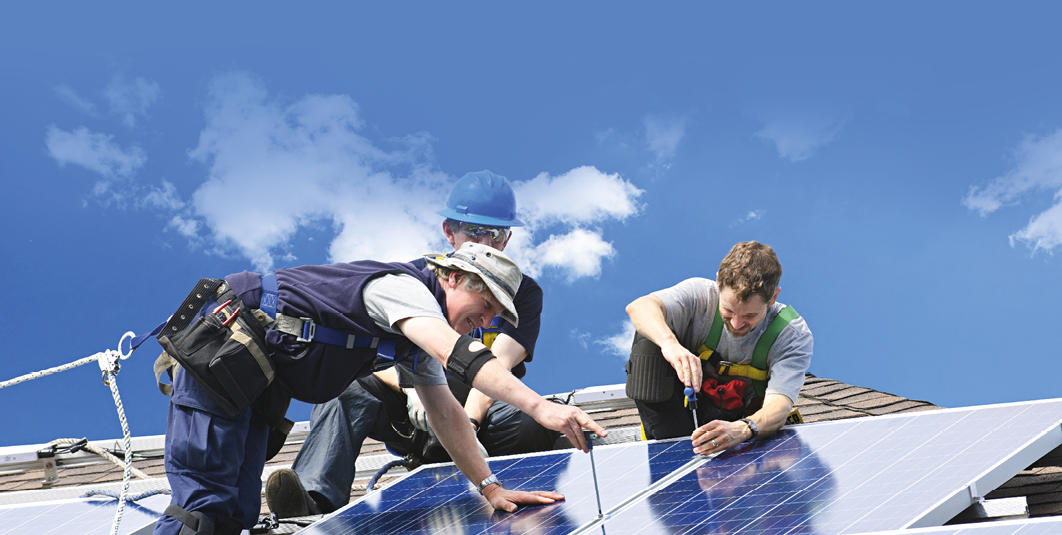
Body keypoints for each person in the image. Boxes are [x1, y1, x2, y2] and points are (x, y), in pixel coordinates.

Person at [153, 241, 605, 535]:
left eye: (494, 318)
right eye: (485, 305)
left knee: (236, 516)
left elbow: (446, 413)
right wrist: (541, 408)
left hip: (256, 384)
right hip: (224, 353)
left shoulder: (415, 340)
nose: (486, 323)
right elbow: (458, 355)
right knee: (204, 511)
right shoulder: (403, 290)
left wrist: (490, 488)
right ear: (451, 278)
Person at [265, 170, 560, 518]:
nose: (486, 242)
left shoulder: (520, 294)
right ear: (450, 233)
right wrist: (411, 391)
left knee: (535, 419)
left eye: (495, 233)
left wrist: (469, 423)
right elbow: (385, 352)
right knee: (347, 388)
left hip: (480, 414)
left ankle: (526, 485)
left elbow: (498, 364)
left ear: (507, 239)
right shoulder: (416, 281)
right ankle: (312, 503)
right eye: (474, 231)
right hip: (415, 412)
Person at [624, 241, 812, 455]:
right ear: (717, 285)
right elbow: (639, 307)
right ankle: (671, 449)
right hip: (676, 420)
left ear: (774, 298)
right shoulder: (699, 296)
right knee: (648, 339)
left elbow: (779, 405)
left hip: (738, 428)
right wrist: (669, 344)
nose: (736, 324)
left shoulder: (790, 333)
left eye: (750, 316)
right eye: (728, 311)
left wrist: (743, 429)